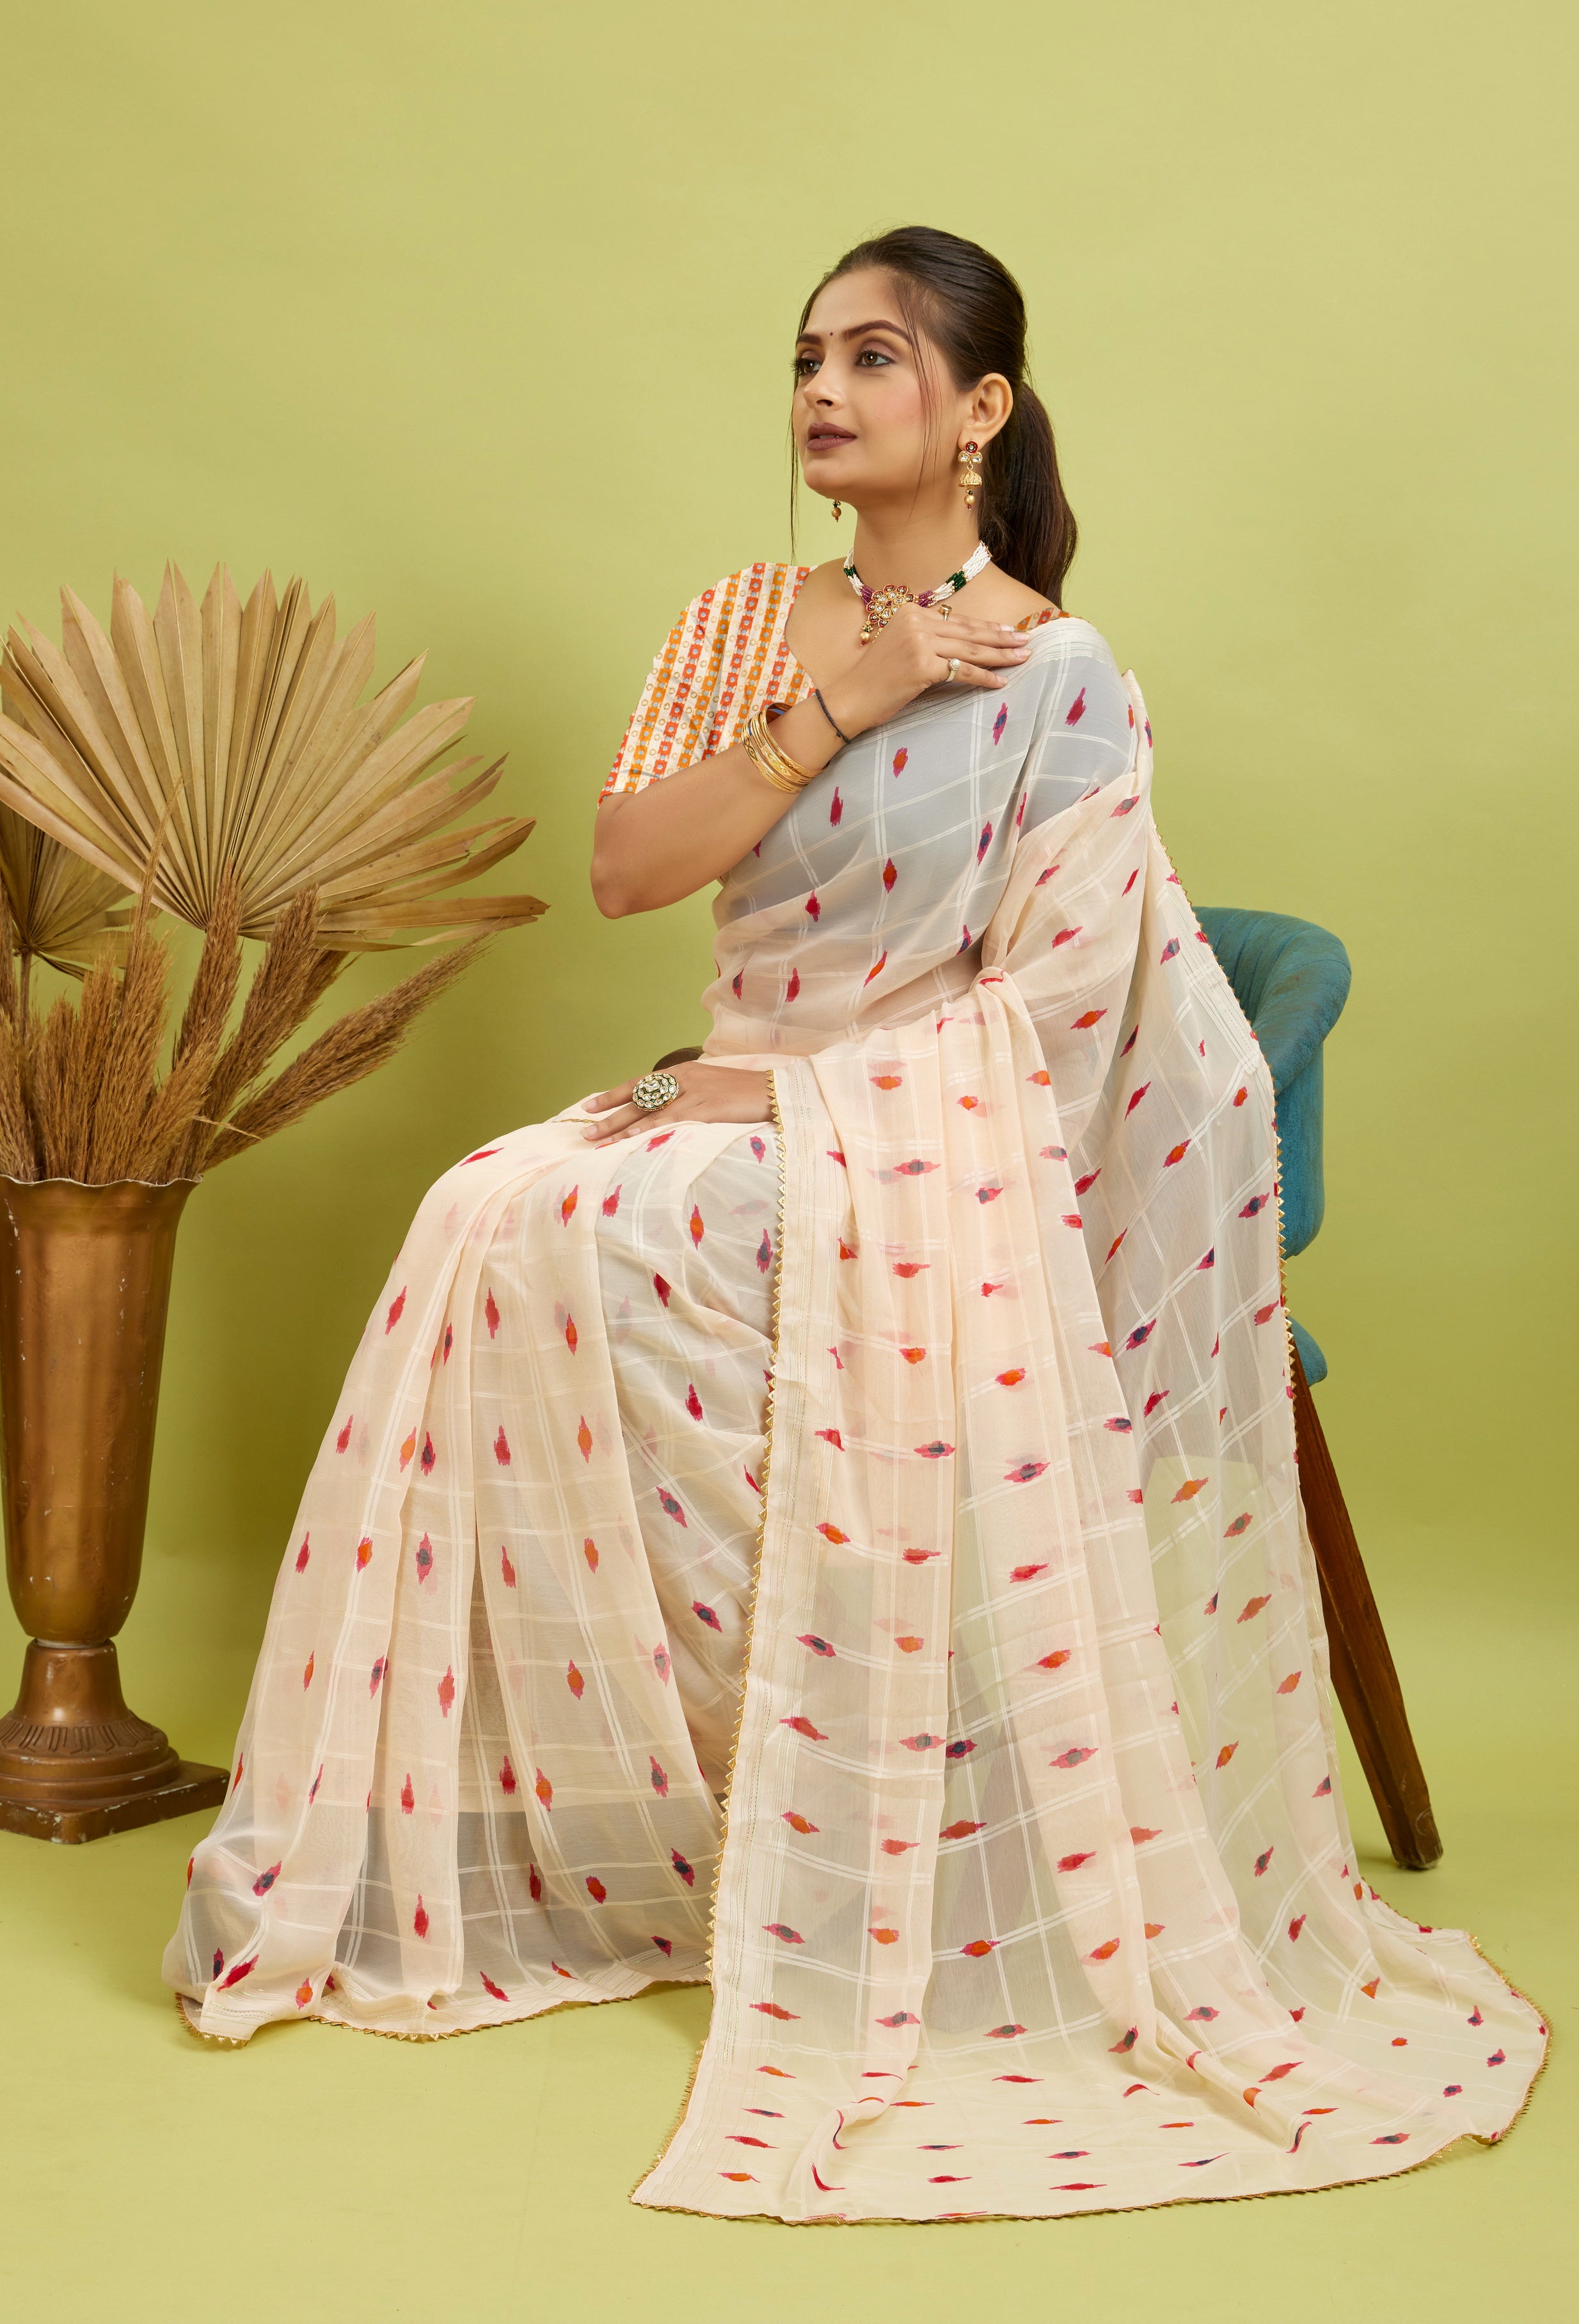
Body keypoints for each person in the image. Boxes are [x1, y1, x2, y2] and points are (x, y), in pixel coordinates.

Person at [167, 226, 1543, 2223]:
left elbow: (1069, 1004)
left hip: (907, 1141)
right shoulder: (741, 618)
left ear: (979, 408)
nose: (823, 388)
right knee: (489, 1210)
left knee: (630, 1237)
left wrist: (808, 1097)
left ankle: (845, 1789)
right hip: (734, 1093)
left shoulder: (1056, 670)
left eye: (875, 355)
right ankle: (664, 1807)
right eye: (809, 355)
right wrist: (848, 692)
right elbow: (628, 869)